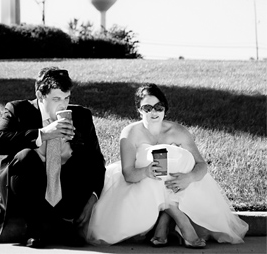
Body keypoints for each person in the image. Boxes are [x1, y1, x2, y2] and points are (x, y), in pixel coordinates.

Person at [86, 83, 248, 248]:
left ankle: (164, 219)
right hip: (141, 183)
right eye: (147, 108)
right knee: (153, 166)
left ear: (165, 108)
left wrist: (189, 178)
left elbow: (201, 165)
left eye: (158, 107)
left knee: (184, 160)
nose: (154, 112)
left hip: (175, 184)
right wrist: (147, 171)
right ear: (139, 110)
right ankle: (180, 220)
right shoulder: (130, 133)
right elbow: (128, 174)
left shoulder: (178, 131)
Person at [0, 67, 106, 248]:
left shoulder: (82, 116)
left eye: (67, 98)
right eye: (56, 99)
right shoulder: (18, 109)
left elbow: (97, 163)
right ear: (40, 95)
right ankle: (44, 227)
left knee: (83, 159)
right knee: (25, 156)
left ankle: (54, 224)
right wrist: (43, 133)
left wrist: (93, 198)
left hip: (66, 193)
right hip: (28, 191)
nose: (63, 105)